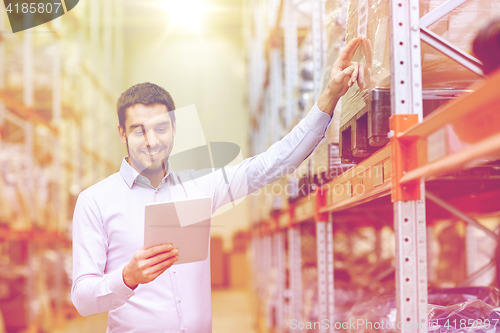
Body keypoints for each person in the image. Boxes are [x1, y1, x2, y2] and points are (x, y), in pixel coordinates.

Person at [71, 36, 364, 332]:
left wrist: (329, 96)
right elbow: (82, 298)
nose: (151, 141)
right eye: (138, 131)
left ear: (174, 129)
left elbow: (274, 162)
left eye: (161, 128)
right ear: (122, 133)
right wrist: (127, 277)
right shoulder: (95, 201)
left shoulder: (199, 189)